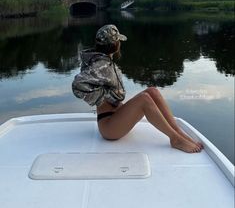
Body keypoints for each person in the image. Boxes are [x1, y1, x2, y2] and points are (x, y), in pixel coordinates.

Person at [72, 24, 203, 153]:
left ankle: (178, 132)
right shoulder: (100, 65)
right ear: (116, 45)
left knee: (152, 91)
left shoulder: (104, 61)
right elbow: (78, 85)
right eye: (118, 41)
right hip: (109, 126)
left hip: (116, 116)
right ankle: (175, 139)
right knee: (144, 99)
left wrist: (107, 96)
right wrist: (103, 97)